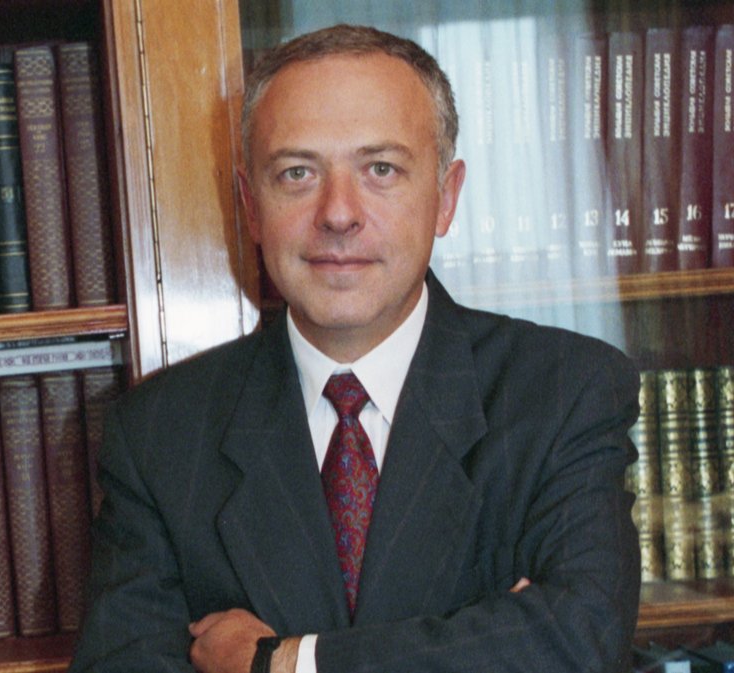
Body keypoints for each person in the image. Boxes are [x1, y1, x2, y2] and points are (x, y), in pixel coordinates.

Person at [68, 24, 640, 673]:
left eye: (380, 169)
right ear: (251, 207)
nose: (338, 213)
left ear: (445, 197)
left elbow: (579, 640)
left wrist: (283, 662)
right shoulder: (160, 434)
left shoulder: (564, 391)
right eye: (297, 173)